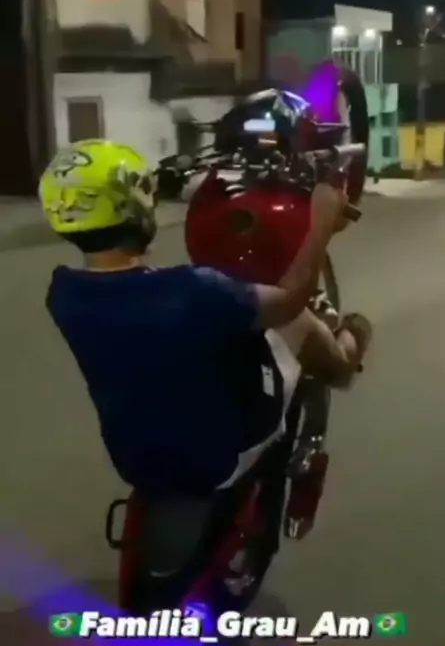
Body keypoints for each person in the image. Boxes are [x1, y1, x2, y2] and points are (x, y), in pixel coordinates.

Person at [39, 139, 370, 497]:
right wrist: (322, 223)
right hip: (216, 460)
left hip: (134, 460)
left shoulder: (63, 293)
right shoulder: (196, 291)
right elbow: (290, 300)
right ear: (134, 206)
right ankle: (344, 359)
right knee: (298, 320)